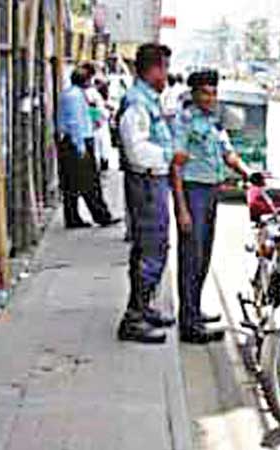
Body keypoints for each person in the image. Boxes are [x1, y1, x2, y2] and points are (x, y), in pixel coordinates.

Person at [170, 70, 257, 344]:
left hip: (211, 193)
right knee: (191, 258)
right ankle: (189, 325)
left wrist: (248, 173)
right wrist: (181, 208)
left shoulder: (213, 121)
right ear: (194, 94)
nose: (211, 98)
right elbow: (176, 166)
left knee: (204, 257)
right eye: (206, 93)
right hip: (193, 193)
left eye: (214, 93)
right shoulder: (185, 121)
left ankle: (194, 311)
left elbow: (227, 153)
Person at [117, 44, 177, 344]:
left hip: (154, 182)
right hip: (146, 183)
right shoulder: (137, 102)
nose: (166, 74)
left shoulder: (150, 100)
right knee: (150, 249)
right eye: (163, 68)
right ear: (152, 70)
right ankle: (134, 318)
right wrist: (169, 155)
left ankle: (144, 306)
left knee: (155, 247)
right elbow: (136, 149)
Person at [57, 65, 119, 229]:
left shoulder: (70, 94)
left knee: (71, 184)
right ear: (85, 80)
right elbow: (75, 123)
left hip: (72, 141)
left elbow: (83, 115)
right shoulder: (75, 97)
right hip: (78, 142)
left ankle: (73, 218)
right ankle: (101, 216)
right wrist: (81, 147)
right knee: (90, 183)